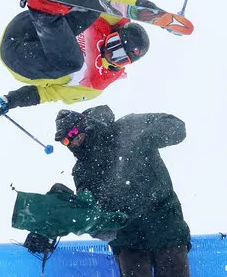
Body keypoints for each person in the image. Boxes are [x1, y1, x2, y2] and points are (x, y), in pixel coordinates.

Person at [0, 0, 163, 116]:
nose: (110, 54)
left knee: (73, 63)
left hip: (21, 60)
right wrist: (154, 13)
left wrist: (11, 100)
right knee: (91, 8)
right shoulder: (110, 23)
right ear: (115, 32)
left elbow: (47, 94)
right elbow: (122, 0)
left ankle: (45, 12)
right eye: (114, 44)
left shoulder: (94, 85)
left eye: (119, 58)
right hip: (27, 28)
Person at [53, 104, 192, 277]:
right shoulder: (82, 170)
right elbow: (91, 213)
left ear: (85, 124)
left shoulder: (129, 127)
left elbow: (178, 128)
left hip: (166, 225)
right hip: (128, 241)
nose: (72, 142)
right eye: (65, 141)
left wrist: (145, 137)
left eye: (72, 134)